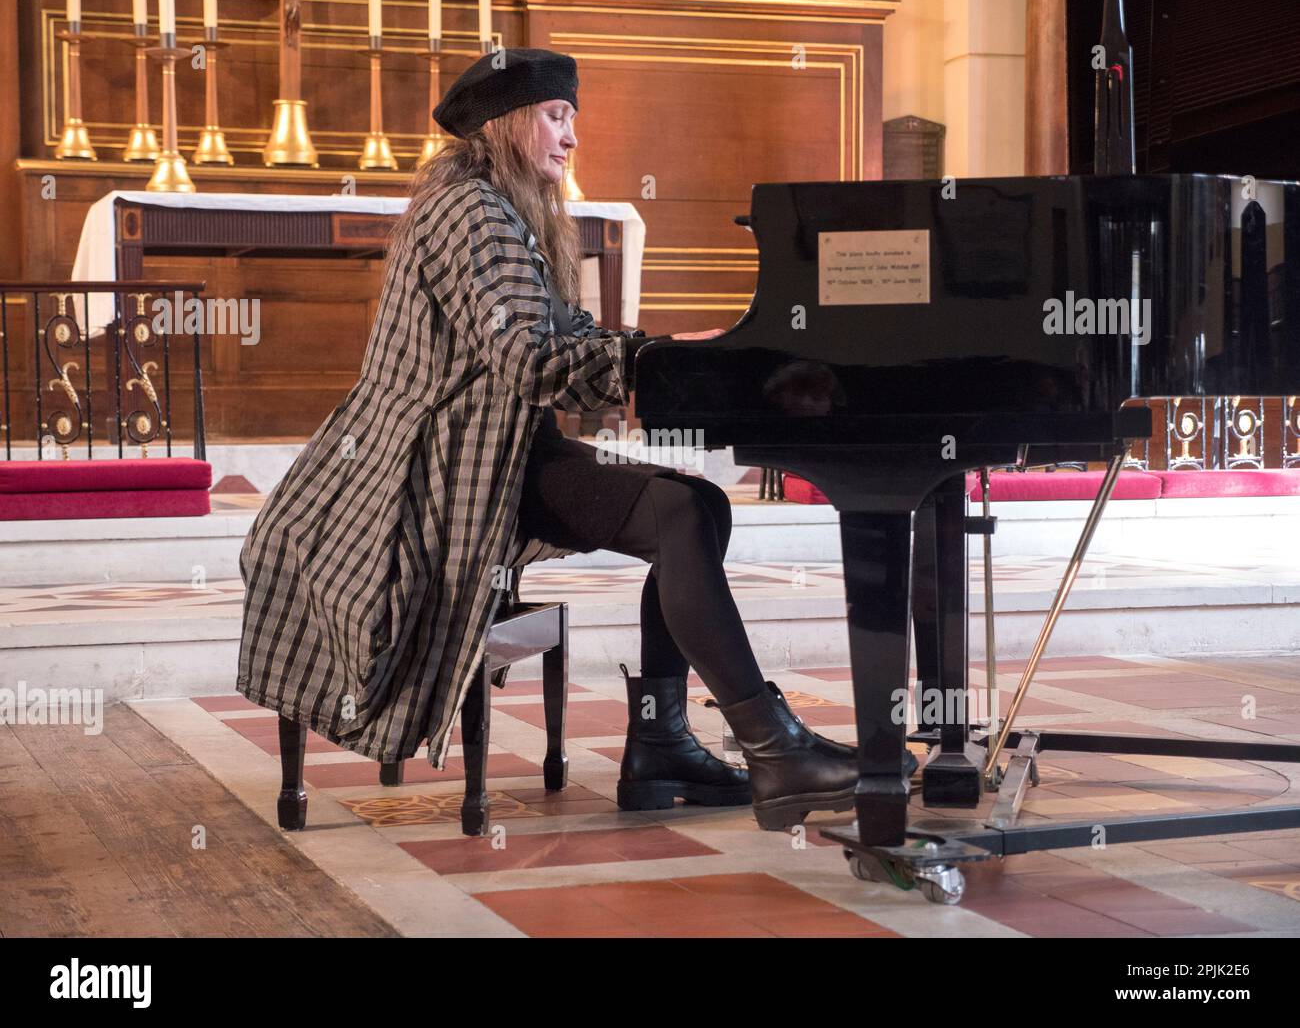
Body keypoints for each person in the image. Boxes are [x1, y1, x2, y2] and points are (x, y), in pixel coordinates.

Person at [238, 48, 879, 832]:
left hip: (506, 454)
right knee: (680, 515)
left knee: (701, 505)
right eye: (555, 115)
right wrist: (656, 359)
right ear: (506, 125)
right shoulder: (469, 212)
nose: (571, 136)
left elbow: (564, 338)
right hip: (439, 475)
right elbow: (531, 358)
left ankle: (661, 742)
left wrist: (678, 353)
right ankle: (770, 747)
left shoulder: (500, 209)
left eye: (571, 116)